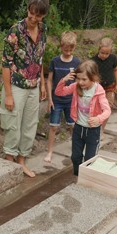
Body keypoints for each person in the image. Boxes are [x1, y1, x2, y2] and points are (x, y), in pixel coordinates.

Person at [2, 0, 49, 178]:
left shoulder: (43, 30)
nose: (33, 18)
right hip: (17, 85)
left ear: (43, 16)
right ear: (28, 9)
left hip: (34, 85)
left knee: (30, 125)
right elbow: (5, 64)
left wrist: (43, 84)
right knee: (13, 123)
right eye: (31, 13)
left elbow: (39, 59)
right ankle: (9, 164)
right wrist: (9, 95)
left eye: (38, 16)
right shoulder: (15, 31)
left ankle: (22, 162)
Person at [54, 60, 111, 176]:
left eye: (84, 79)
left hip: (93, 131)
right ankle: (77, 176)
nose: (80, 82)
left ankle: (87, 180)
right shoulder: (75, 87)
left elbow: (107, 110)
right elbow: (59, 92)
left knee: (90, 160)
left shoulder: (98, 90)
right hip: (78, 128)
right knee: (75, 157)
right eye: (78, 78)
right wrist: (63, 80)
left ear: (93, 77)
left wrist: (99, 119)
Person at [43, 30, 82, 164]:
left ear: (74, 48)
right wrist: (50, 99)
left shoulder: (77, 62)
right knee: (53, 127)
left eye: (71, 50)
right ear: (61, 46)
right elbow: (49, 80)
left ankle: (76, 150)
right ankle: (49, 151)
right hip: (57, 101)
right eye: (65, 50)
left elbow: (80, 81)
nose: (68, 52)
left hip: (71, 100)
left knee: (73, 126)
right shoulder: (55, 61)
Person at [91, 36, 117, 110]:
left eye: (107, 53)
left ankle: (104, 120)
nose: (104, 55)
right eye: (102, 53)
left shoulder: (113, 58)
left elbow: (116, 70)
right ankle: (98, 119)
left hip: (110, 86)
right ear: (99, 49)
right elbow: (91, 74)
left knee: (108, 106)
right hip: (97, 87)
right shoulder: (93, 60)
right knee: (98, 106)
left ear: (110, 52)